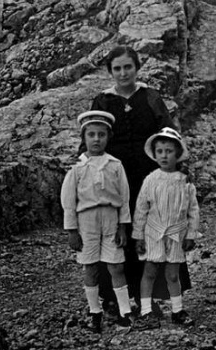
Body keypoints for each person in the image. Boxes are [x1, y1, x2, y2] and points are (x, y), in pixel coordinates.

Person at [89, 45, 191, 316]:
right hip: (114, 179)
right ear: (110, 72)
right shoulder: (102, 101)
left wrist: (177, 171)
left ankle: (151, 297)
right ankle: (113, 298)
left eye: (128, 67)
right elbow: (93, 137)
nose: (123, 73)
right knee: (113, 234)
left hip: (148, 177)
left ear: (137, 68)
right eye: (117, 68)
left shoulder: (151, 97)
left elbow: (167, 136)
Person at [60, 110, 134, 333]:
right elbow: (68, 201)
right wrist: (72, 230)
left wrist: (123, 225)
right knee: (90, 267)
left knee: (116, 265)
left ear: (108, 137)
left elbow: (124, 197)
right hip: (87, 221)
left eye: (101, 134)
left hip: (111, 219)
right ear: (84, 138)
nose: (96, 139)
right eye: (91, 134)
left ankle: (125, 312)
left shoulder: (115, 165)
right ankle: (95, 313)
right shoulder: (77, 167)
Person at [131, 127, 199, 330]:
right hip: (153, 233)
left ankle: (177, 311)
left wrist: (191, 234)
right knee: (150, 272)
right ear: (155, 154)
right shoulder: (151, 180)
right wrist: (138, 236)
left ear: (177, 154)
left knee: (172, 274)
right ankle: (146, 311)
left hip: (176, 234)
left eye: (168, 151)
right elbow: (141, 209)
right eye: (159, 151)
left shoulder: (185, 182)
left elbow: (193, 210)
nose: (164, 155)